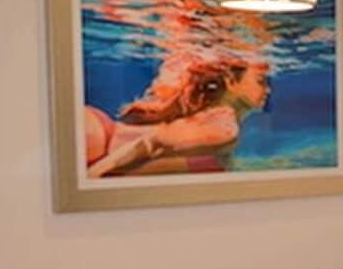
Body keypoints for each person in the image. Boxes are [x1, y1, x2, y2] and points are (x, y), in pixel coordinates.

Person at [84, 50, 270, 178]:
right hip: (100, 143)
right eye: (261, 81)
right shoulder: (225, 129)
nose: (268, 90)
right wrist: (97, 173)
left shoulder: (209, 115)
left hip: (100, 132)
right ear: (231, 82)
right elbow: (151, 141)